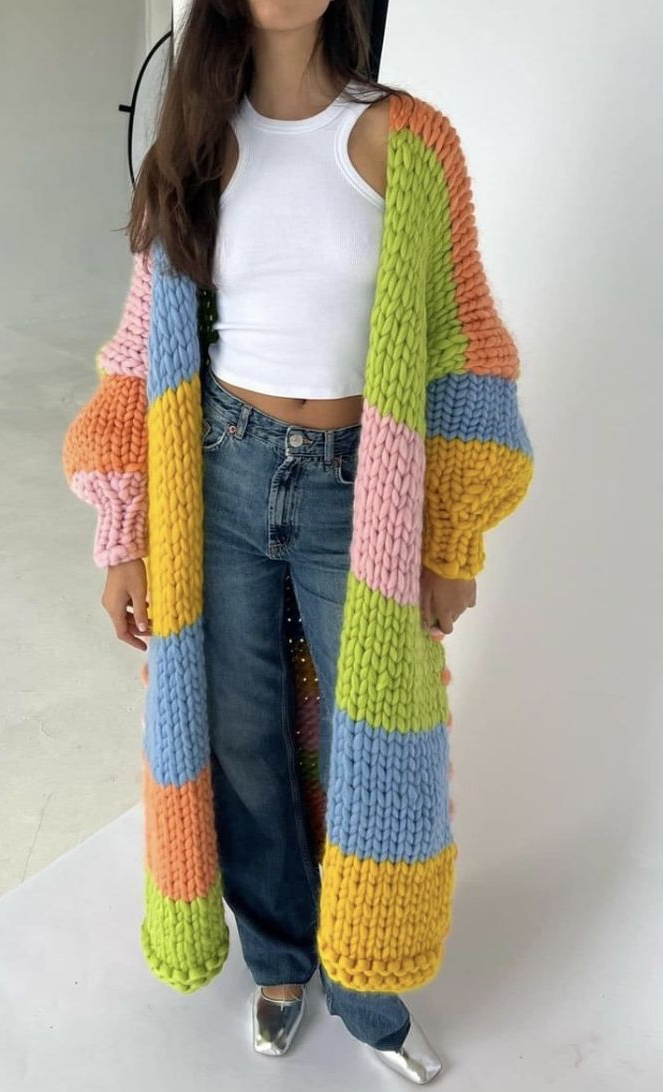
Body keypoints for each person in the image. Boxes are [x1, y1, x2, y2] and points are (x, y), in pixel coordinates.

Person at [62, 0, 533, 1084]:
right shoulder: (193, 141)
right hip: (217, 477)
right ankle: (280, 960)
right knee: (243, 740)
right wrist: (124, 533)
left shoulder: (410, 139)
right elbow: (136, 354)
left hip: (354, 490)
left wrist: (451, 537)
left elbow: (467, 345)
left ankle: (367, 989)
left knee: (381, 740)